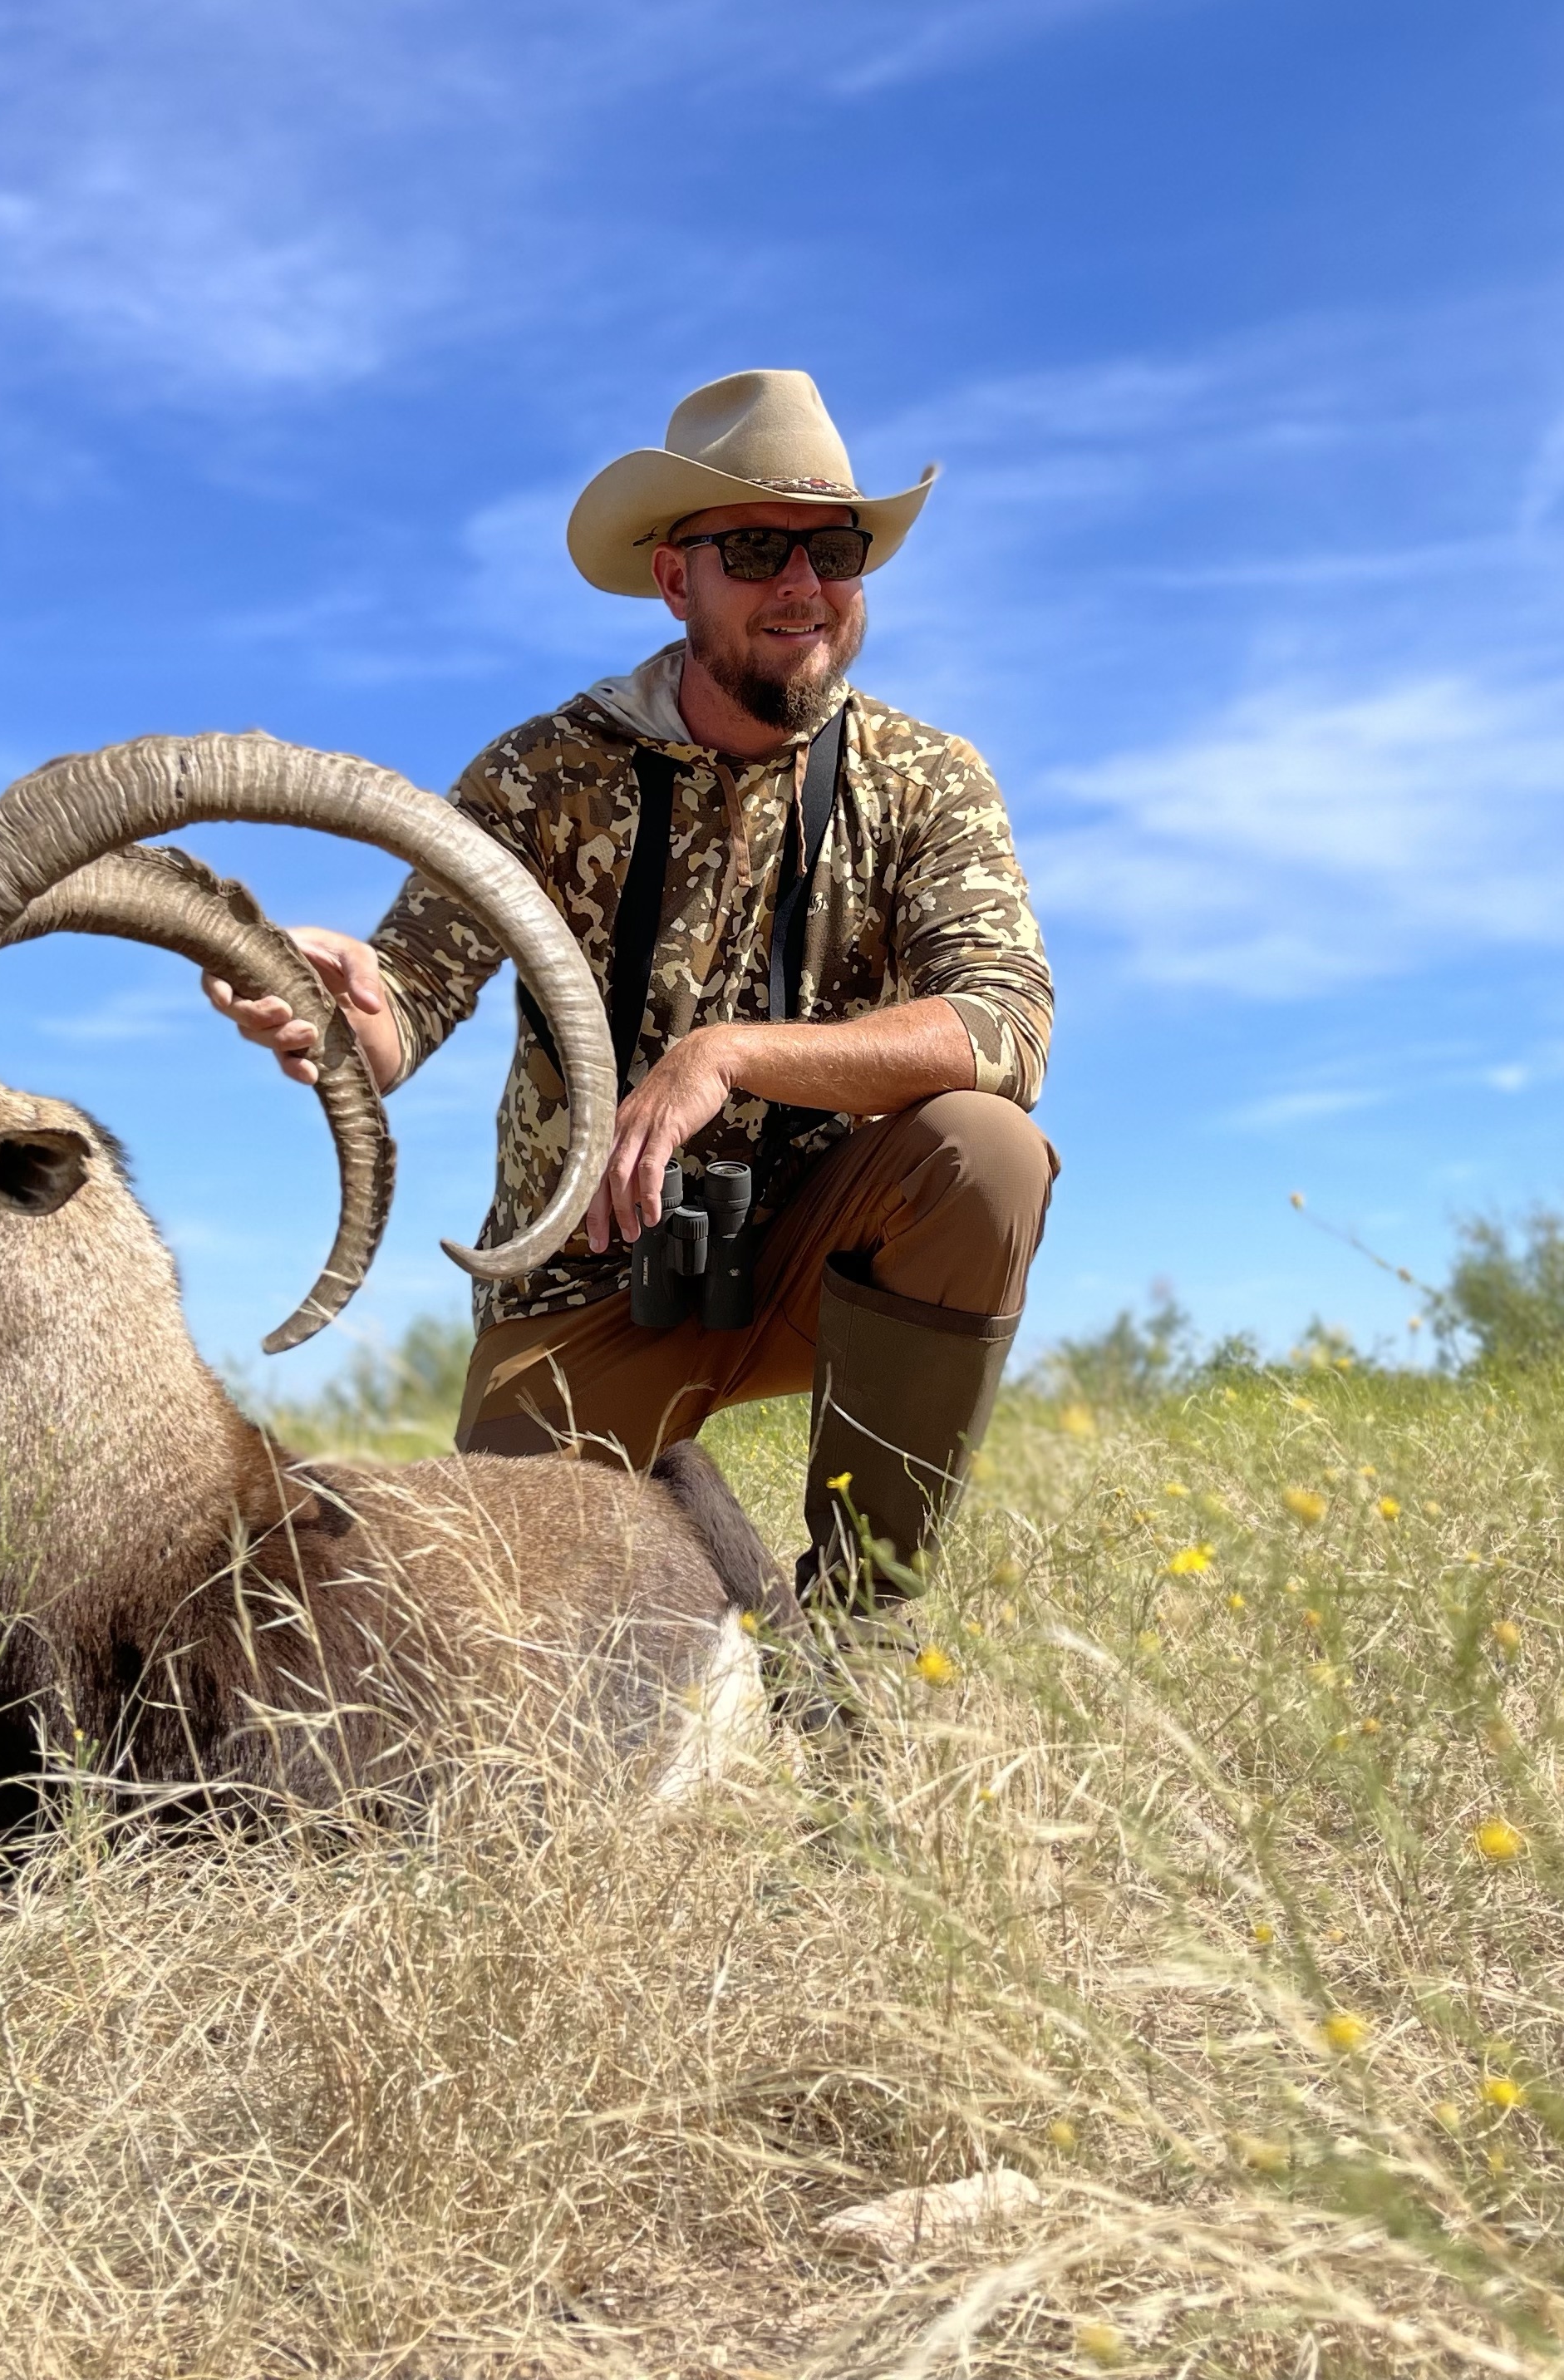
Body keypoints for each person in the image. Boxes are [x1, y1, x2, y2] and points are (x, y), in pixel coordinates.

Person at [208, 369, 1056, 1604]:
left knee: (986, 1152)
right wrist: (329, 1008)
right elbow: (405, 1006)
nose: (803, 584)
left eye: (837, 545)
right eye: (758, 547)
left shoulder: (927, 780)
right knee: (500, 1625)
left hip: (824, 1262)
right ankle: (689, 1550)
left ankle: (854, 1643)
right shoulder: (542, 771)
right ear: (676, 578)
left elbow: (1005, 1023)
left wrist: (729, 1053)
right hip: (581, 1283)